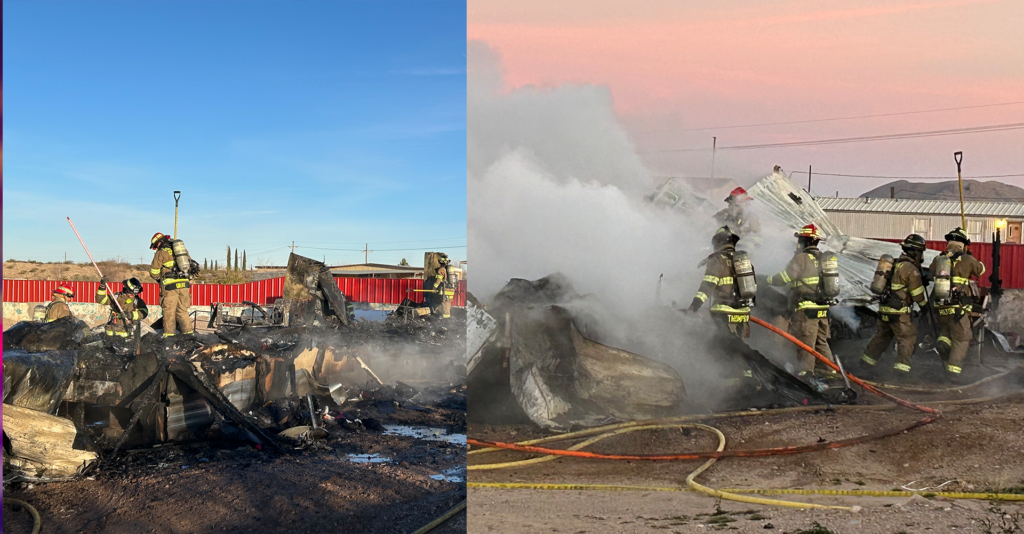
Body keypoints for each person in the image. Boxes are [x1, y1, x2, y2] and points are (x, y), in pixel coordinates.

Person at [766, 224, 834, 381]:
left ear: (805, 241)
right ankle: (831, 372)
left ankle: (805, 375)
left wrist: (766, 279)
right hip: (823, 309)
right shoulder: (823, 258)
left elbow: (783, 279)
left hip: (806, 309)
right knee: (820, 342)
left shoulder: (801, 258)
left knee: (805, 344)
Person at [689, 226, 755, 378]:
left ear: (717, 243)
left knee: (724, 345)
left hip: (724, 310)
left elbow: (708, 286)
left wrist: (694, 306)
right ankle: (747, 376)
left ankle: (732, 380)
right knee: (740, 344)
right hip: (743, 311)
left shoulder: (717, 259)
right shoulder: (744, 260)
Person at [860, 234, 928, 380]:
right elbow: (917, 293)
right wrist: (925, 307)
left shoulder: (895, 263)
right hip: (899, 312)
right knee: (907, 338)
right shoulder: (911, 269)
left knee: (882, 337)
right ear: (915, 251)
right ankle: (901, 372)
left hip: (884, 308)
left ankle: (865, 364)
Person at [929, 227, 986, 381]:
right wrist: (971, 257)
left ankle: (942, 342)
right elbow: (981, 270)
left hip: (941, 307)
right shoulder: (966, 259)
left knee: (947, 329)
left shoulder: (939, 259)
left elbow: (930, 273)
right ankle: (953, 372)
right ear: (963, 245)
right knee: (962, 338)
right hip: (958, 308)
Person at [149, 232, 193, 337]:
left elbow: (153, 273)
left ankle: (169, 337)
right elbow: (190, 265)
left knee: (169, 312)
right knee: (182, 311)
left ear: (159, 242)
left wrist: (159, 279)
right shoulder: (182, 251)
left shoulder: (161, 253)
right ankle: (189, 335)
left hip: (170, 287)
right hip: (184, 285)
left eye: (156, 246)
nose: (156, 248)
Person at [432, 254, 455, 319]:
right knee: (448, 302)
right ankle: (446, 314)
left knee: (445, 302)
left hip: (446, 289)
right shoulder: (449, 269)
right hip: (451, 289)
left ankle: (446, 318)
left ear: (440, 262)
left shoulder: (441, 269)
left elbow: (438, 279)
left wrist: (434, 287)